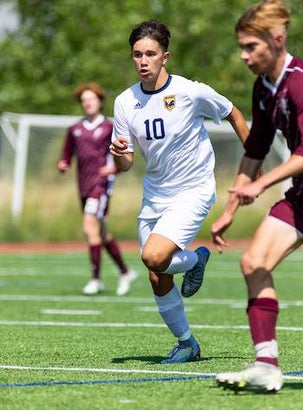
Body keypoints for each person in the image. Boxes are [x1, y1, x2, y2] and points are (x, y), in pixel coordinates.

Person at [110, 20, 249, 363]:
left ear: (165, 56)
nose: (143, 61)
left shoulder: (189, 91)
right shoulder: (125, 102)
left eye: (151, 54)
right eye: (137, 55)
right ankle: (187, 342)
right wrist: (118, 157)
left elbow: (232, 112)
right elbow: (127, 163)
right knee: (156, 274)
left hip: (193, 190)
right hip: (155, 194)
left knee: (154, 257)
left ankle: (196, 258)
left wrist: (254, 159)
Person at [211, 0, 303, 393]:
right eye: (242, 46)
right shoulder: (264, 88)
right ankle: (266, 364)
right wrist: (230, 208)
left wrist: (261, 185)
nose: (244, 55)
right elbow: (255, 150)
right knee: (253, 262)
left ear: (277, 39)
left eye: (252, 46)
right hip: (302, 196)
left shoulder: (299, 82)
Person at [57, 82, 137, 296]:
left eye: (91, 99)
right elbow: (67, 154)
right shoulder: (75, 129)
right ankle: (125, 271)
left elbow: (125, 155)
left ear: (100, 102)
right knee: (100, 232)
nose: (88, 103)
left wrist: (114, 170)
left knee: (89, 227)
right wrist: (63, 163)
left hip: (101, 186)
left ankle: (96, 279)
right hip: (83, 185)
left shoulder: (109, 127)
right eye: (84, 100)